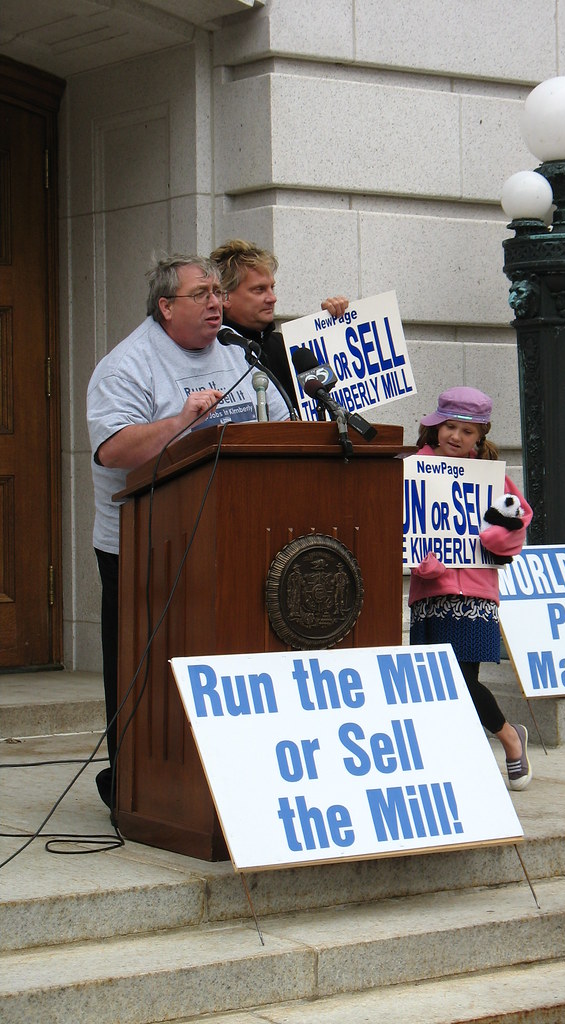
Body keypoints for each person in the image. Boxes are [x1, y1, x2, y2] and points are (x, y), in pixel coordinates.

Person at [86, 253, 290, 810]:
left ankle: (217, 774)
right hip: (146, 545)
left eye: (218, 294)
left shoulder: (235, 355)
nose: (216, 303)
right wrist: (181, 421)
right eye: (201, 294)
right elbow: (112, 451)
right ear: (166, 306)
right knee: (144, 667)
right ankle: (134, 779)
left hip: (229, 536)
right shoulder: (127, 365)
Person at [408, 386, 534, 790]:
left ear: (481, 436)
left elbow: (517, 525)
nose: (456, 437)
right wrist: (420, 560)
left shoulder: (491, 479)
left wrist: (492, 538)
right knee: (434, 685)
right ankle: (456, 759)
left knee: (463, 680)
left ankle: (509, 737)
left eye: (467, 430)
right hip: (430, 595)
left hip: (477, 596)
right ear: (435, 427)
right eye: (450, 426)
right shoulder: (414, 470)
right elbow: (403, 526)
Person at [210, 239, 349, 405]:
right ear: (224, 296)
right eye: (259, 289)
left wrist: (333, 327)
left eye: (272, 288)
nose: (272, 298)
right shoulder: (212, 352)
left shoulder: (285, 346)